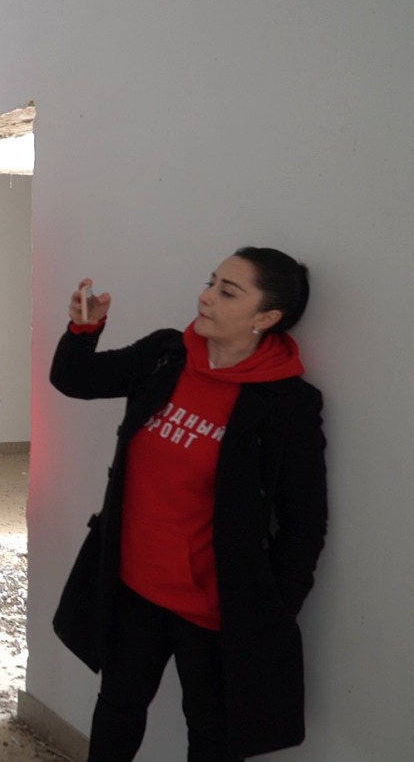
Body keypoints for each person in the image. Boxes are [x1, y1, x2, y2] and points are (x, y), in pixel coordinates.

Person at [49, 248, 328, 761]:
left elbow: (304, 522)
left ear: (267, 317)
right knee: (118, 706)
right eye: (211, 281)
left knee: (212, 735)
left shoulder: (287, 404)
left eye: (228, 291)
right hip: (133, 585)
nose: (206, 297)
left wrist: (274, 609)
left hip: (213, 609)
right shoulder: (167, 354)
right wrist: (83, 330)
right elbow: (76, 379)